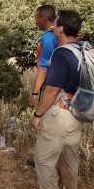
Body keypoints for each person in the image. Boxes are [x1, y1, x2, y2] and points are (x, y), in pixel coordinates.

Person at [30, 10, 83, 189]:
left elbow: (52, 91)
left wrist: (38, 114)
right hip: (77, 114)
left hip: (59, 115)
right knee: (69, 163)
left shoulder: (61, 54)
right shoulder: (84, 49)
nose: (53, 26)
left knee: (44, 162)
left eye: (56, 24)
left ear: (61, 29)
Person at [29, 5, 58, 108]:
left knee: (46, 116)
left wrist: (35, 93)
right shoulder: (59, 33)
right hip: (61, 82)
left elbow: (44, 68)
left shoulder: (49, 36)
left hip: (50, 82)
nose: (36, 22)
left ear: (43, 18)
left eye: (37, 18)